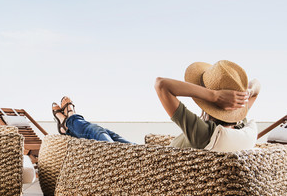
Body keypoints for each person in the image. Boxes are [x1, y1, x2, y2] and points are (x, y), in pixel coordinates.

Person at [53, 60, 260, 150]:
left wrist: (214, 95)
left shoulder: (205, 133)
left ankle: (69, 119)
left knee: (96, 131)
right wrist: (246, 93)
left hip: (145, 165)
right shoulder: (240, 126)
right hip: (149, 155)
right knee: (108, 133)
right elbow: (257, 86)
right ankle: (68, 125)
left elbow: (161, 84)